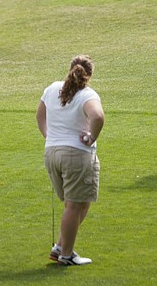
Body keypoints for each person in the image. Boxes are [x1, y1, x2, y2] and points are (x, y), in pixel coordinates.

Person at [36, 55, 105, 266]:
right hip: (76, 154)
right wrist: (91, 137)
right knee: (74, 206)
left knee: (77, 203)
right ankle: (66, 255)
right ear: (89, 75)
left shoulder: (52, 88)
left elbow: (40, 116)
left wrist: (50, 136)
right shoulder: (87, 95)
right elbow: (98, 117)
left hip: (52, 153)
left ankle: (60, 246)